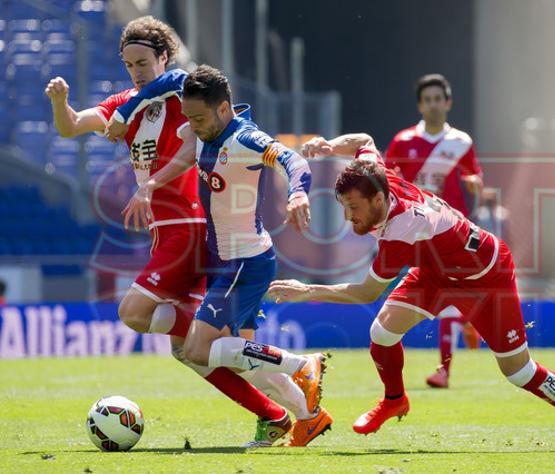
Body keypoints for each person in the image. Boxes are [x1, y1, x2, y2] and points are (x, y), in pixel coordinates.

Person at [45, 16, 324, 447]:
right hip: (168, 231)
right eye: (128, 64)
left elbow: (178, 79)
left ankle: (269, 373)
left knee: (134, 313)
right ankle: (287, 416)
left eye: (143, 62)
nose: (136, 72)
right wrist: (60, 103)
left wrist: (126, 114)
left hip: (189, 225)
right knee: (194, 353)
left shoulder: (181, 94)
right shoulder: (129, 101)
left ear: (162, 56)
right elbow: (71, 126)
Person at [269, 133, 555, 451]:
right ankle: (395, 400)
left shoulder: (401, 229)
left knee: (518, 372)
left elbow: (366, 292)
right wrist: (330, 147)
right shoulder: (377, 178)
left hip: (485, 278)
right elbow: (364, 141)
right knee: (382, 332)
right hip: (436, 273)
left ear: (379, 200)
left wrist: (307, 290)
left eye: (353, 207)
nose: (348, 217)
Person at [105, 64, 333, 447]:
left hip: (244, 263)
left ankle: (301, 364)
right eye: (189, 118)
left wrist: (298, 192)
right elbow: (184, 155)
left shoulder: (245, 138)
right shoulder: (203, 133)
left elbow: (293, 160)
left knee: (198, 349)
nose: (192, 126)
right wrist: (151, 185)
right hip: (227, 261)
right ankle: (308, 418)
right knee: (239, 359)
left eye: (198, 118)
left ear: (224, 109)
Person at [385, 74, 483, 388]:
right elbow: (386, 179)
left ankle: (444, 370)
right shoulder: (403, 141)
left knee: (445, 291)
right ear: (420, 104)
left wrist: (475, 185)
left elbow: (475, 178)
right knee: (447, 293)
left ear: (448, 102)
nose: (433, 104)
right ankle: (468, 318)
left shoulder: (460, 142)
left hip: (452, 226)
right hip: (416, 228)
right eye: (427, 99)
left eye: (438, 99)